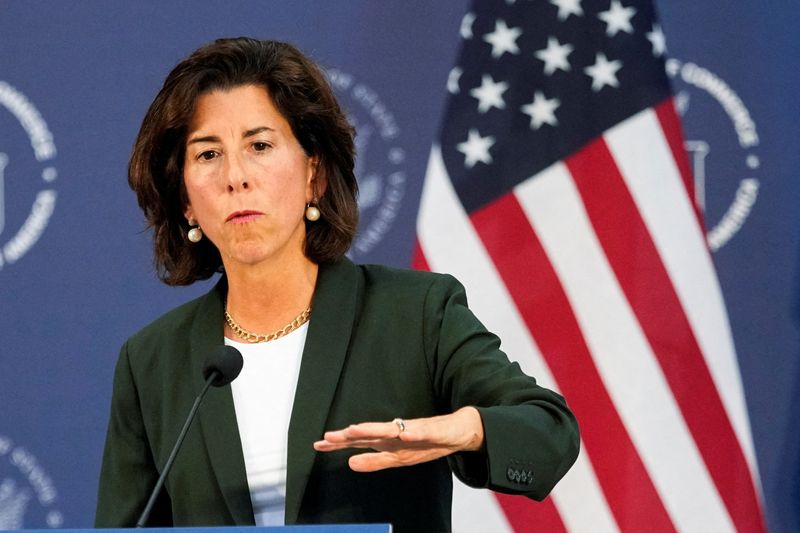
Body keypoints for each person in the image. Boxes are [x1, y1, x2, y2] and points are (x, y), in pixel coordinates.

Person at [95, 37, 579, 533]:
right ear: (187, 203)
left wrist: (468, 429)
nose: (234, 176)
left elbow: (550, 433)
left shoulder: (414, 315)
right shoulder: (152, 362)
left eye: (259, 145)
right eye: (208, 154)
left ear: (315, 175)